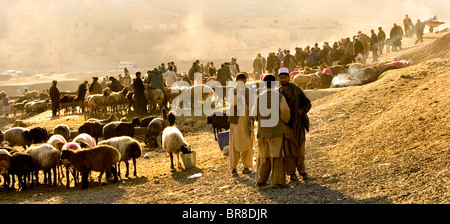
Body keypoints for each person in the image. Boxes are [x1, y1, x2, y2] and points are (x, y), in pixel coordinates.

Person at [252, 73, 290, 188]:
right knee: (276, 156)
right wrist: (284, 122)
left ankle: (261, 180)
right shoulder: (279, 97)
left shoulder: (259, 97)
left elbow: (254, 114)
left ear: (264, 84)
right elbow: (285, 111)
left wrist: (261, 121)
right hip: (276, 131)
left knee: (264, 156)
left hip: (263, 131)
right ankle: (277, 182)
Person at [277, 68, 311, 182]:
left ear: (289, 77)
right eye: (281, 77)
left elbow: (307, 103)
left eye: (285, 77)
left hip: (298, 125)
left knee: (300, 150)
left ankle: (302, 172)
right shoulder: (277, 93)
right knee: (288, 151)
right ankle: (292, 173)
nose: (283, 79)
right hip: (286, 126)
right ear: (278, 79)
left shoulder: (296, 90)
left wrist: (302, 111)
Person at [228, 73, 255, 175]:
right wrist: (239, 94)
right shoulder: (232, 91)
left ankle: (246, 166)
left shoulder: (249, 91)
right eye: (239, 80)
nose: (241, 82)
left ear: (245, 81)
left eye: (242, 81)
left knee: (248, 143)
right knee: (234, 144)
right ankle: (234, 168)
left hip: (247, 122)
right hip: (236, 122)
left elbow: (253, 105)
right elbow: (232, 102)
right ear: (236, 81)